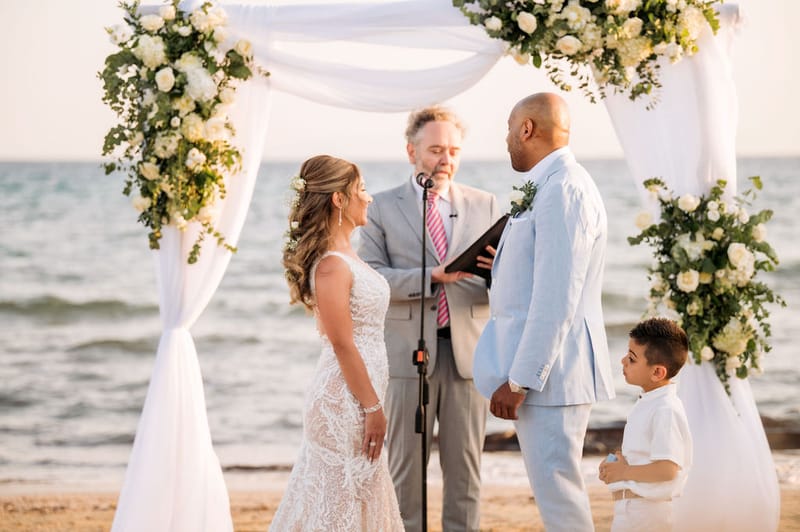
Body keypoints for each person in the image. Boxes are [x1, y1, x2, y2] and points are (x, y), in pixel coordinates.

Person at [472, 92, 616, 532]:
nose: (507, 140)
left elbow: (557, 298)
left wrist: (519, 380)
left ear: (527, 129)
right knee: (556, 493)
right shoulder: (552, 185)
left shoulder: (564, 190)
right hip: (550, 374)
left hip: (552, 376)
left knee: (560, 497)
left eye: (509, 130)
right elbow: (542, 275)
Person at [358, 106, 499, 531]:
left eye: (453, 150)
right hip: (405, 359)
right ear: (411, 151)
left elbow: (506, 282)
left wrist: (499, 273)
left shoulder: (485, 204)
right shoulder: (380, 208)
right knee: (405, 476)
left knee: (466, 476)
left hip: (469, 358)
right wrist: (431, 277)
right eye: (436, 149)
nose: (446, 159)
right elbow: (370, 279)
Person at [271, 155, 403, 531]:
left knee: (358, 501)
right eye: (361, 189)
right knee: (337, 504)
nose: (369, 198)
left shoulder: (348, 256)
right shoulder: (331, 265)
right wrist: (373, 407)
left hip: (358, 397)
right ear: (339, 200)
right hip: (342, 404)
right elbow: (343, 343)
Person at [598, 318, 693, 532]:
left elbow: (667, 470)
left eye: (632, 358)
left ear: (658, 372)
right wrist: (617, 461)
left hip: (647, 515)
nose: (623, 360)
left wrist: (624, 472)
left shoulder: (665, 409)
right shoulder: (649, 402)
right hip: (632, 509)